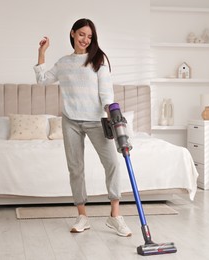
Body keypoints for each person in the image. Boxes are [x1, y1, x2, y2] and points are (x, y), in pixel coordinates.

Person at [34, 18, 132, 237]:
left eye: (89, 36)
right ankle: (82, 216)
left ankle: (115, 216)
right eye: (81, 35)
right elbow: (42, 80)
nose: (85, 40)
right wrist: (42, 52)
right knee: (75, 168)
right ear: (72, 33)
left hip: (97, 121)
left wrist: (113, 116)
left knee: (113, 164)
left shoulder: (98, 61)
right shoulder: (63, 63)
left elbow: (106, 94)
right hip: (71, 121)